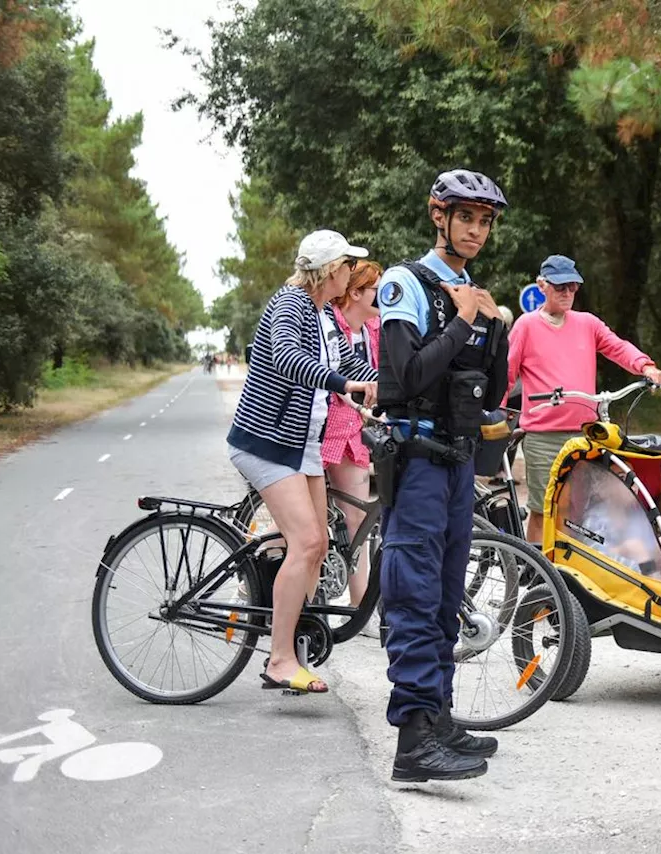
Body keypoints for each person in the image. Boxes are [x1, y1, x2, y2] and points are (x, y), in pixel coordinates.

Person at [375, 169, 511, 783]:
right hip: (420, 462)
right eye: (467, 218)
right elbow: (405, 378)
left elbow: (492, 391)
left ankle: (440, 719)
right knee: (414, 594)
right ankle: (412, 741)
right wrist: (460, 322)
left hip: (459, 465)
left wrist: (495, 330)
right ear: (439, 216)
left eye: (485, 221)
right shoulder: (406, 283)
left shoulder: (471, 290)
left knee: (447, 600)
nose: (477, 230)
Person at [226, 229, 378, 696]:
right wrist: (339, 384)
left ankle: (293, 637)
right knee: (308, 542)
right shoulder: (290, 304)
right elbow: (286, 357)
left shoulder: (325, 315)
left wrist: (398, 391)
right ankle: (279, 659)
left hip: (302, 445)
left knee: (318, 545)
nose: (352, 273)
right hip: (267, 442)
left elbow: (354, 368)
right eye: (348, 265)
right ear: (331, 270)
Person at [506, 254, 661, 543]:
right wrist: (499, 410)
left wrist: (646, 366)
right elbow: (506, 371)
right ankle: (534, 573)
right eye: (559, 287)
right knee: (543, 509)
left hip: (585, 433)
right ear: (542, 286)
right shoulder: (526, 325)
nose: (567, 292)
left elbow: (617, 347)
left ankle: (571, 577)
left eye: (572, 286)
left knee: (581, 510)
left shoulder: (587, 323)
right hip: (543, 435)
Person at [321, 259, 383, 610]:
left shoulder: (373, 327)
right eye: (378, 289)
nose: (385, 296)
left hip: (352, 430)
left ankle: (360, 607)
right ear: (355, 292)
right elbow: (332, 374)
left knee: (357, 518)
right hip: (322, 429)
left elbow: (374, 375)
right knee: (299, 526)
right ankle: (252, 581)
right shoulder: (330, 321)